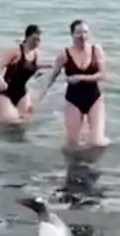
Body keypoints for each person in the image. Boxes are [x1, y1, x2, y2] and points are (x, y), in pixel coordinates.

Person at [38, 19, 108, 148]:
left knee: (97, 143)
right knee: (72, 144)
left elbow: (103, 75)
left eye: (85, 32)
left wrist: (80, 77)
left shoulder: (96, 50)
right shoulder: (64, 54)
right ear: (72, 34)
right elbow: (52, 76)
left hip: (94, 98)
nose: (83, 36)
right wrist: (39, 97)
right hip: (73, 100)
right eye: (78, 33)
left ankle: (94, 166)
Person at [0, 25, 50, 125]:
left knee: (24, 122)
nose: (36, 42)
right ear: (27, 37)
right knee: (12, 122)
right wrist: (0, 80)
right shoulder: (16, 51)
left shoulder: (37, 54)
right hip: (5, 92)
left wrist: (49, 67)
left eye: (39, 40)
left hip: (22, 93)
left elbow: (33, 68)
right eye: (34, 39)